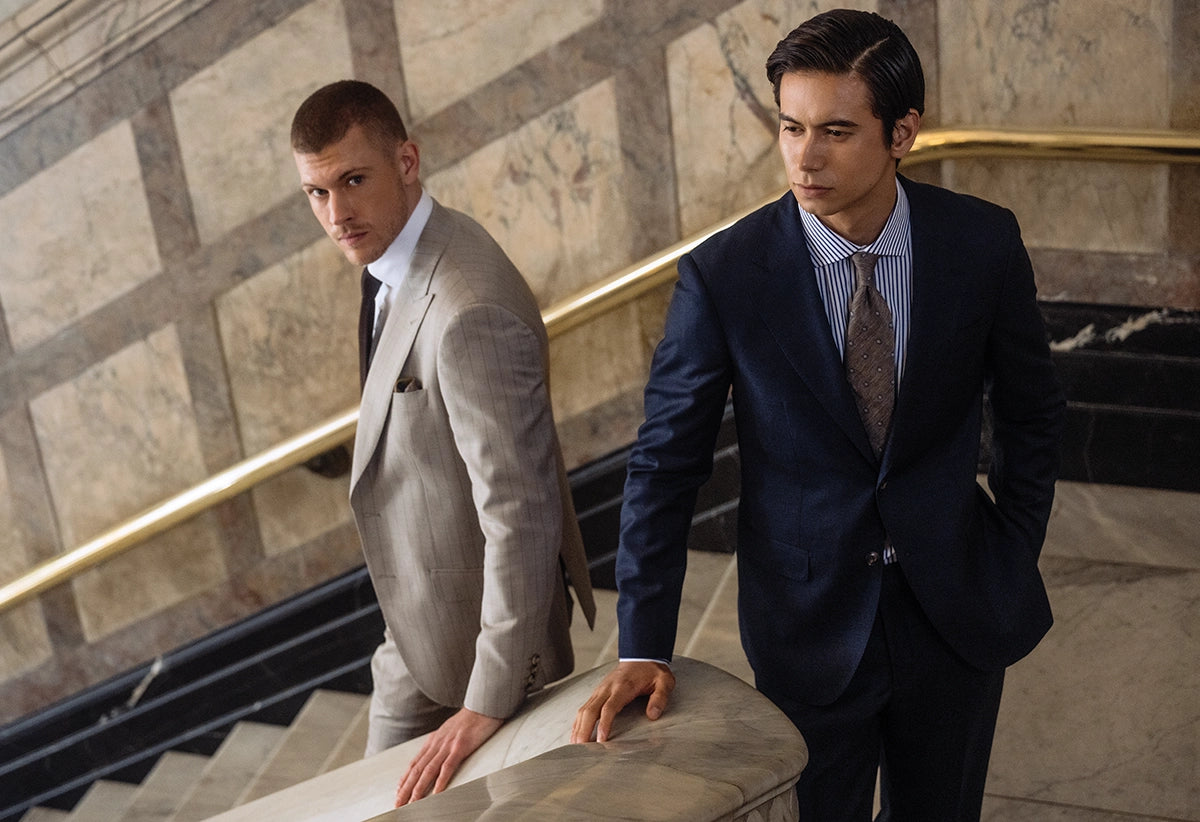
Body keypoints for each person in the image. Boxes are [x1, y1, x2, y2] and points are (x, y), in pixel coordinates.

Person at [572, 9, 1064, 821]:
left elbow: (1034, 414)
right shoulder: (724, 277)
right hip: (808, 628)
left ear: (903, 132)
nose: (805, 157)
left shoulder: (980, 245)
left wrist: (1011, 551)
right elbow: (665, 465)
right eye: (791, 126)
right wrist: (644, 641)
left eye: (836, 130)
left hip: (957, 611)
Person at [291, 80, 595, 807]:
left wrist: (488, 699)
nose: (336, 214)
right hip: (416, 635)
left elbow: (520, 512)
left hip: (481, 651)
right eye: (316, 193)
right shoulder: (395, 263)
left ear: (408, 160)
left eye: (353, 181)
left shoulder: (468, 306)